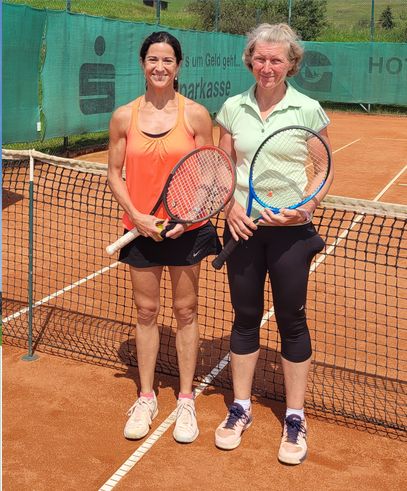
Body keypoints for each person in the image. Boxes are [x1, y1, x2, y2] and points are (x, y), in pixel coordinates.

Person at [214, 23, 333, 464]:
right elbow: (221, 167)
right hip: (243, 229)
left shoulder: (309, 109)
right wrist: (230, 207)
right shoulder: (233, 107)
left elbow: (323, 168)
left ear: (291, 63)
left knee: (292, 320)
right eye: (260, 58)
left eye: (276, 60)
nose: (267, 67)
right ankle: (240, 407)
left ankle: (295, 416)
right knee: (245, 318)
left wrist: (307, 206)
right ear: (250, 60)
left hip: (291, 234)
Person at [107, 31, 220, 444]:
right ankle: (146, 396)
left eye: (167, 60)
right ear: (143, 64)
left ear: (178, 66)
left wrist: (186, 218)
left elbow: (209, 173)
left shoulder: (196, 115)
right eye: (153, 59)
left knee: (186, 311)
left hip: (186, 229)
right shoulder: (124, 117)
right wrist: (137, 217)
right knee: (146, 311)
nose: (160, 67)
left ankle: (186, 399)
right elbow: (113, 173)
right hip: (140, 229)